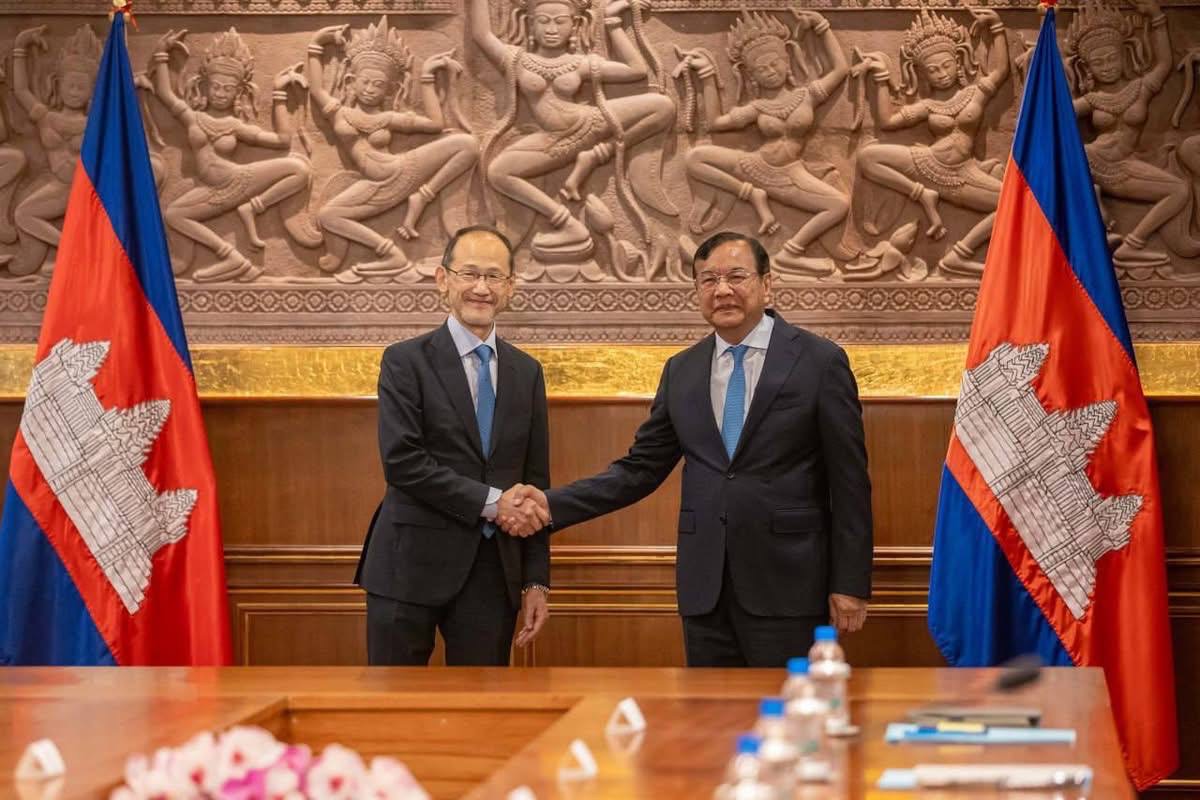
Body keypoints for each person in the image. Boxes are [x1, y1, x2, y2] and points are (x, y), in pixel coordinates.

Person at [501, 231, 872, 667]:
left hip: (790, 584)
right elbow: (639, 469)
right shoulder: (683, 370)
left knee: (789, 707)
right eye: (709, 280)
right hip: (705, 590)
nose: (723, 290)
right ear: (697, 291)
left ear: (767, 284)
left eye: (736, 276)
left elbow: (850, 482)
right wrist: (550, 504)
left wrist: (850, 582)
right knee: (708, 710)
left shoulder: (819, 361)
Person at [355, 226, 551, 665]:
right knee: (393, 701)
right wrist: (494, 502)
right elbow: (403, 462)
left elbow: (536, 483)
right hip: (408, 566)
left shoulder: (527, 372)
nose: (481, 288)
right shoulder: (404, 361)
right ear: (443, 280)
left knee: (482, 703)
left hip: (491, 573)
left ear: (510, 287)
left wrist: (536, 579)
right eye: (469, 274)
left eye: (494, 276)